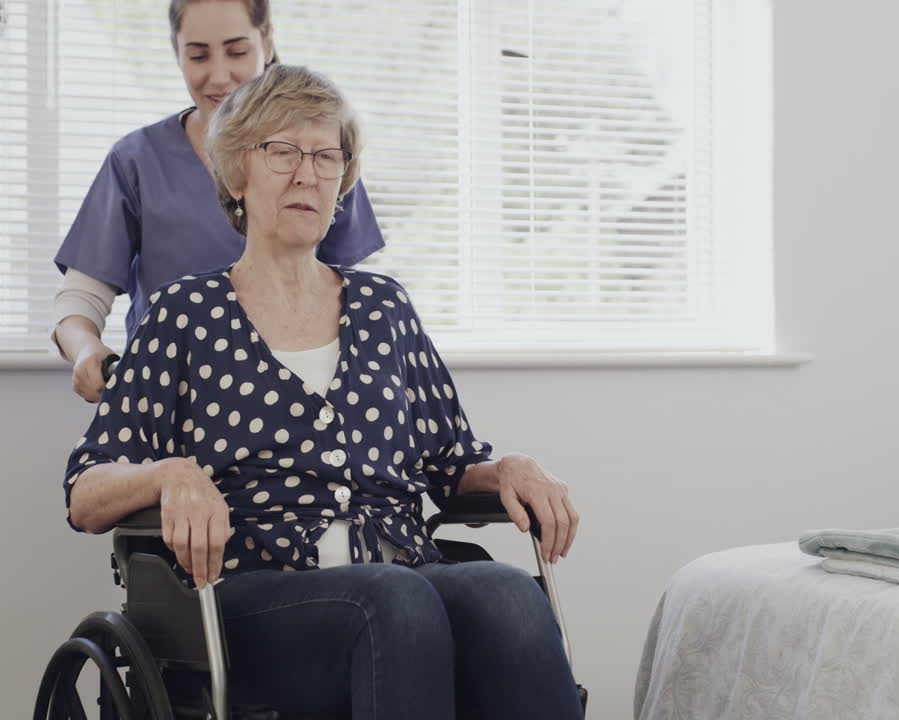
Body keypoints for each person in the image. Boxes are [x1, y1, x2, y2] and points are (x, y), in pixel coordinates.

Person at [62, 64, 583, 719]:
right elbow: (85, 492)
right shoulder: (183, 314)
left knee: (506, 593)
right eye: (281, 151)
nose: (307, 172)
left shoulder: (383, 307)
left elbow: (450, 468)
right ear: (235, 174)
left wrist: (510, 468)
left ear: (342, 182)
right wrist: (167, 473)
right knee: (395, 599)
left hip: (404, 571)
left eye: (325, 155)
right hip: (256, 599)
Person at [52, 0, 383, 403]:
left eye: (237, 51)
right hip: (169, 401)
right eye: (197, 55)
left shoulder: (320, 159)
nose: (219, 75)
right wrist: (88, 350)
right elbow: (83, 295)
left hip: (299, 405)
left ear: (267, 43)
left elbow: (355, 300)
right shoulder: (138, 161)